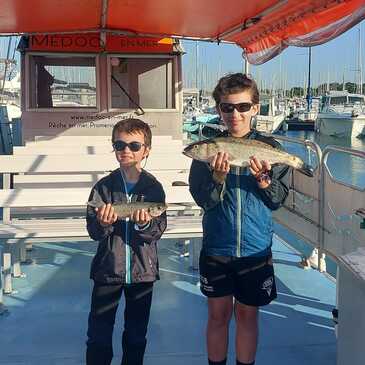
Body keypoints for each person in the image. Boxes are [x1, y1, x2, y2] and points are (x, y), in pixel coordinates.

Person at [188, 73, 291, 365]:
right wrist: (217, 177)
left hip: (255, 248)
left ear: (256, 108)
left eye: (243, 107)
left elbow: (277, 200)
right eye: (227, 107)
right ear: (218, 110)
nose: (235, 114)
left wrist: (264, 182)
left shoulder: (270, 149)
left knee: (247, 316)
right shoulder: (205, 151)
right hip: (217, 247)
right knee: (217, 315)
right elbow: (205, 202)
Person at [85, 118, 167, 365]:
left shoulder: (153, 188)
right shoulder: (103, 187)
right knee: (98, 334)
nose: (126, 150)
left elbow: (156, 232)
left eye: (133, 145)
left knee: (136, 335)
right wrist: (104, 222)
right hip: (108, 270)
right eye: (119, 144)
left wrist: (143, 223)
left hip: (142, 273)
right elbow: (94, 232)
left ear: (146, 150)